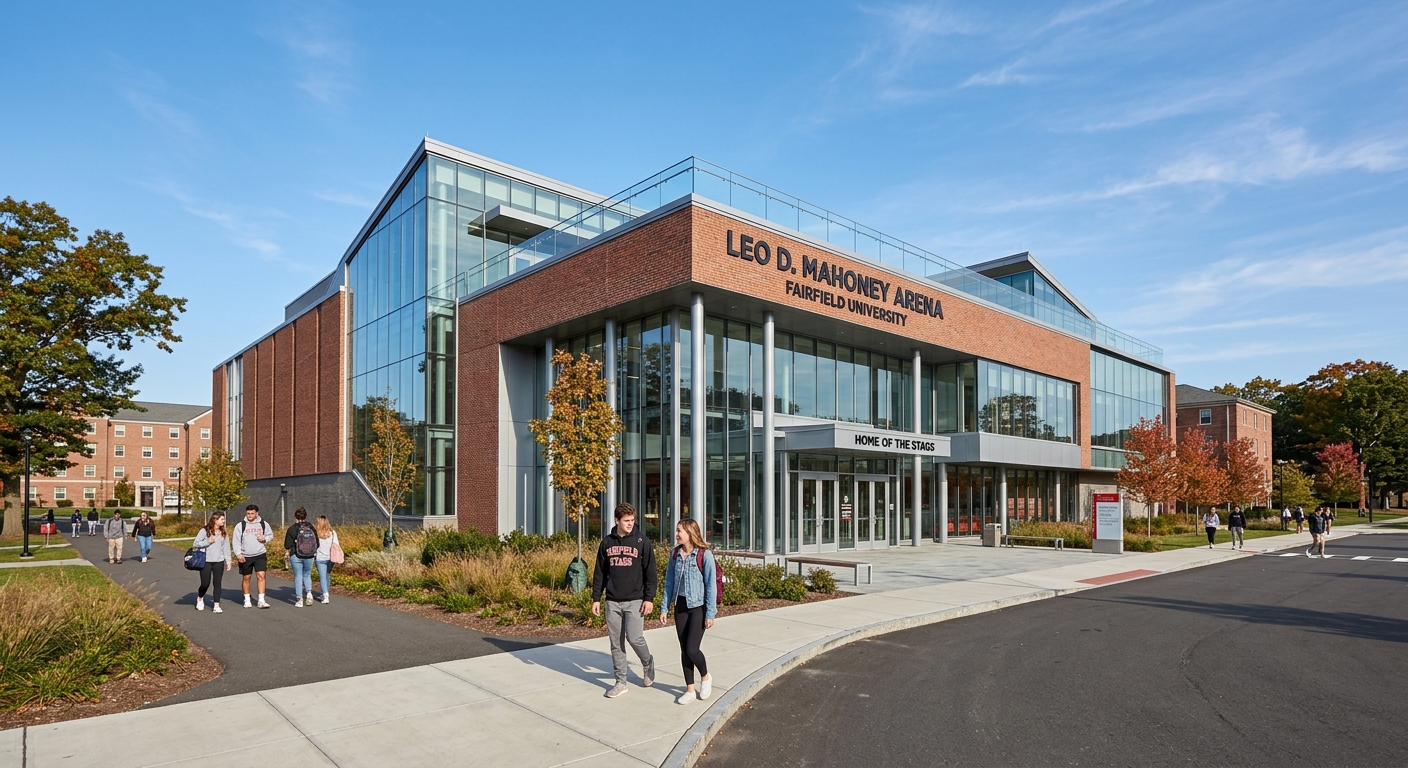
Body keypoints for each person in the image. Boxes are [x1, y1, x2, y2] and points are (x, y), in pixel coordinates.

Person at [591, 502, 657, 699]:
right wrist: (596, 598)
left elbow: (650, 573)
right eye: (626, 520)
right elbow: (599, 573)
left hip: (635, 600)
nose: (630, 524)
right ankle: (620, 682)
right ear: (617, 520)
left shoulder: (641, 541)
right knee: (615, 643)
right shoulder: (607, 543)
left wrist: (649, 598)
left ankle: (647, 662)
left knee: (635, 638)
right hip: (612, 601)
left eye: (632, 520)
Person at [661, 518, 717, 705]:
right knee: (684, 649)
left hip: (698, 607)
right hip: (681, 606)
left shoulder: (704, 554)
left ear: (690, 533)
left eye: (679, 531)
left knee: (692, 648)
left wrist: (710, 613)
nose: (676, 534)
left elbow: (711, 585)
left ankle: (706, 676)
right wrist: (664, 607)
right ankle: (690, 690)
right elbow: (669, 582)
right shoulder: (675, 554)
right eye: (676, 531)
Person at [233, 504, 273, 609]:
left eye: (252, 513)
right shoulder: (240, 526)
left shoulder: (263, 524)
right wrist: (238, 554)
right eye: (248, 513)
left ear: (256, 513)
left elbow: (270, 535)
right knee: (246, 577)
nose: (250, 515)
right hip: (245, 556)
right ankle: (247, 599)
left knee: (261, 576)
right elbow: (236, 541)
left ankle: (261, 600)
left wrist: (264, 538)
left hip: (260, 554)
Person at [193, 512, 233, 612]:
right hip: (206, 561)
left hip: (219, 561)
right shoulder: (204, 531)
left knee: (217, 583)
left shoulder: (224, 532)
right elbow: (196, 543)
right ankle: (200, 598)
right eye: (221, 519)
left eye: (223, 519)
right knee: (205, 583)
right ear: (215, 520)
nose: (223, 521)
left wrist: (228, 561)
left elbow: (226, 547)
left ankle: (216, 605)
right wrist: (207, 542)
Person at [284, 507, 318, 607]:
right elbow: (317, 543)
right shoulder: (311, 527)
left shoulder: (292, 529)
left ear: (296, 517)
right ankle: (309, 594)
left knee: (298, 577)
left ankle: (299, 600)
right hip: (310, 555)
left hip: (296, 555)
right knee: (307, 575)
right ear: (305, 516)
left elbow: (287, 545)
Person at [314, 515, 339, 604]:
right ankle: (326, 592)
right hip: (330, 557)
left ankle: (325, 594)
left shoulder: (316, 533)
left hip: (320, 557)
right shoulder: (332, 533)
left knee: (322, 577)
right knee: (327, 574)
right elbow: (336, 544)